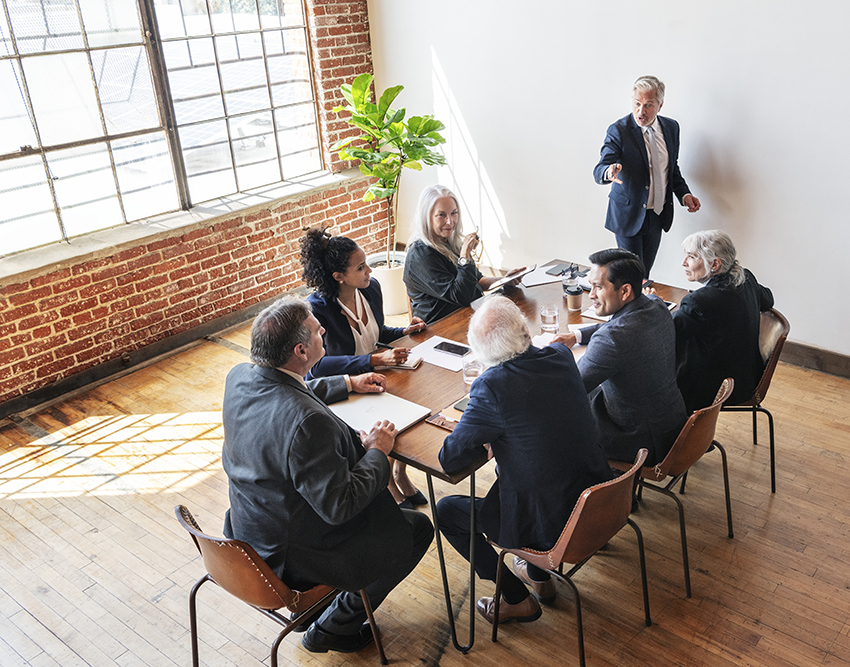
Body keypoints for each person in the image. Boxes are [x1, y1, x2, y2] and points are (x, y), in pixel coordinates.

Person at [221, 296, 433, 654]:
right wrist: (377, 451)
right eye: (320, 332)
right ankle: (333, 627)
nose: (325, 334)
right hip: (293, 553)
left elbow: (287, 390)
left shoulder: (240, 376)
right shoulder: (309, 423)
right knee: (415, 529)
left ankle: (317, 610)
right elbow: (340, 506)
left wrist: (348, 383)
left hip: (250, 529)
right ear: (301, 351)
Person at [437, 297, 613, 624]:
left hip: (554, 526)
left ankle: (516, 599)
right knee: (540, 471)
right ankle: (539, 578)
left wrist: (489, 435)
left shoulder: (491, 386)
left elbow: (449, 458)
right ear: (525, 331)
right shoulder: (560, 356)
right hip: (600, 503)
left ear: (483, 355)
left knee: (446, 511)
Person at [299, 229, 428, 509]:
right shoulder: (317, 310)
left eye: (366, 263)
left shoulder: (371, 289)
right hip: (342, 386)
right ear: (338, 276)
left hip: (374, 376)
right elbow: (317, 366)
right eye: (361, 267)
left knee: (412, 409)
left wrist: (403, 331)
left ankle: (399, 473)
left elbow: (376, 332)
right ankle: (389, 484)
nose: (369, 270)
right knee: (388, 421)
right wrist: (374, 360)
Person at [553, 248, 687, 463]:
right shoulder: (657, 305)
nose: (591, 294)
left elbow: (570, 388)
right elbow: (622, 325)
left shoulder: (612, 338)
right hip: (672, 425)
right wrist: (576, 336)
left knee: (555, 414)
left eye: (598, 287)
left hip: (639, 443)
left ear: (625, 291)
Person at [594, 75, 701, 278]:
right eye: (637, 103)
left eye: (648, 105)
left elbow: (671, 169)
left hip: (657, 215)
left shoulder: (671, 128)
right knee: (632, 277)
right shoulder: (619, 130)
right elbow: (601, 167)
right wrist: (609, 171)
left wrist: (684, 195)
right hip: (628, 215)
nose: (641, 111)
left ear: (660, 105)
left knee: (644, 274)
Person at [673, 230, 775, 414]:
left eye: (691, 256)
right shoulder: (746, 279)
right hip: (747, 379)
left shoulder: (700, 302)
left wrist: (653, 304)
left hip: (715, 390)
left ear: (715, 264)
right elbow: (768, 299)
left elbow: (667, 332)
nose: (684, 262)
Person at [403, 184, 525, 323]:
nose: (450, 221)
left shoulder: (450, 241)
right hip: (441, 326)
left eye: (454, 213)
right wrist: (464, 255)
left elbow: (477, 281)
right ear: (426, 217)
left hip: (468, 315)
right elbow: (461, 296)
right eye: (441, 215)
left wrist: (504, 280)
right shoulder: (420, 254)